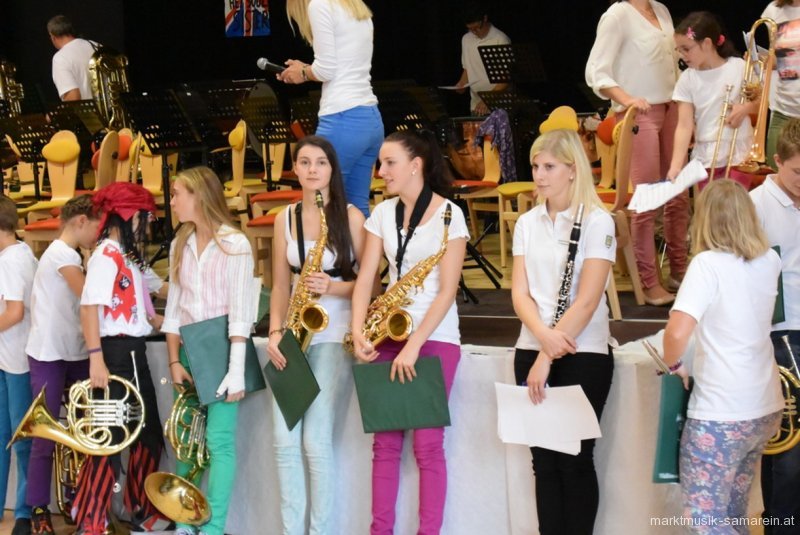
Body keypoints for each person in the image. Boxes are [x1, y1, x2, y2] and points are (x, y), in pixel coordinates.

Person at [350, 129, 468, 535]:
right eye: (380, 163)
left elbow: (448, 290)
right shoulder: (383, 214)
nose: (380, 171)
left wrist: (414, 345)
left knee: (427, 445)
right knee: (384, 445)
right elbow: (366, 278)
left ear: (416, 165)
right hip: (388, 332)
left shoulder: (451, 215)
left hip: (434, 337)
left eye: (389, 163)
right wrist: (359, 330)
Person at [511, 125, 616, 535]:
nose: (539, 175)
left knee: (574, 459)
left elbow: (587, 301)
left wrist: (547, 354)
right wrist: (543, 336)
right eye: (536, 166)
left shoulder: (597, 221)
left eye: (549, 167)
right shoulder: (527, 222)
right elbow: (519, 293)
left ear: (573, 169)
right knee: (544, 462)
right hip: (533, 343)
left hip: (582, 351)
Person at [662, 179, 783, 531]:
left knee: (706, 520)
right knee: (733, 512)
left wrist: (674, 364)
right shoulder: (770, 260)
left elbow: (677, 331)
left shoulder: (707, 264)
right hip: (763, 405)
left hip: (721, 409)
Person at [266, 136, 365, 534]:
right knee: (283, 441)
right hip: (293, 334)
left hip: (333, 332)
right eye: (304, 162)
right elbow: (279, 285)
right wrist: (275, 331)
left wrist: (334, 288)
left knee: (315, 441)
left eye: (320, 162)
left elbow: (372, 284)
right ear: (295, 169)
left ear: (331, 169)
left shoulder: (352, 217)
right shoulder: (283, 218)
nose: (312, 169)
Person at [162, 167, 256, 535]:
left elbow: (241, 314)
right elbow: (174, 310)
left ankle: (214, 527)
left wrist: (236, 369)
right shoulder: (179, 244)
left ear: (198, 196)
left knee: (218, 441)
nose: (172, 201)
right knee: (187, 442)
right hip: (188, 352)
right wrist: (173, 360)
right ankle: (185, 523)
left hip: (222, 352)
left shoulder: (235, 243)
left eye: (177, 194)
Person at [75, 183, 169, 535]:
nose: (147, 226)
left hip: (133, 352)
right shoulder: (106, 255)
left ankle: (138, 508)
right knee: (111, 439)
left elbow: (149, 294)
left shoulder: (127, 256)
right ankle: (92, 520)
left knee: (147, 435)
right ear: (130, 217)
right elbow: (89, 308)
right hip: (115, 354)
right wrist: (95, 359)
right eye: (145, 218)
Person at [586, 0, 687, 306]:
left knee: (679, 194)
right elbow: (596, 71)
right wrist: (627, 98)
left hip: (672, 105)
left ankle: (679, 271)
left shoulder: (662, 10)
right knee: (647, 199)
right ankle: (649, 281)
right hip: (640, 113)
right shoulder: (617, 15)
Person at [24, 195, 99, 535]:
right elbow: (89, 296)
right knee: (45, 435)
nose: (98, 234)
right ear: (81, 221)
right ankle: (39, 507)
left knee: (84, 430)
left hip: (75, 351)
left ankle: (78, 498)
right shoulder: (60, 255)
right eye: (96, 226)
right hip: (49, 354)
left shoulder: (72, 254)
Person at [279, 0, 384, 217]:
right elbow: (342, 64)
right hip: (370, 117)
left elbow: (326, 70)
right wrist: (306, 69)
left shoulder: (319, 5)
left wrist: (303, 73)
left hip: (342, 119)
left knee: (320, 203)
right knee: (357, 208)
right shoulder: (355, 6)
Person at [750, 118, 800, 534]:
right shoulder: (755, 206)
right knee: (787, 452)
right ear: (777, 161)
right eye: (798, 171)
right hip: (779, 335)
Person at [667, 11, 760, 190]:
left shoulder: (738, 67)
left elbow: (761, 104)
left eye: (687, 49)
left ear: (707, 43)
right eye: (679, 50)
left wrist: (745, 108)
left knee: (736, 203)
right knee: (710, 204)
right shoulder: (687, 79)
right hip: (707, 156)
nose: (682, 55)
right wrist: (676, 165)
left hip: (739, 154)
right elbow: (684, 125)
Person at [0, 196, 37, 535]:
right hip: (9, 357)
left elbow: (14, 312)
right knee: (5, 436)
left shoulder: (11, 261)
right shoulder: (21, 253)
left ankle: (25, 511)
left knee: (22, 440)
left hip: (19, 360)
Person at [453, 1, 510, 116]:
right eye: (471, 29)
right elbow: (468, 69)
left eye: (477, 28)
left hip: (498, 106)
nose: (475, 32)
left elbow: (506, 77)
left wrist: (488, 99)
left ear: (485, 19)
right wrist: (462, 84)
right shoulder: (466, 39)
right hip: (476, 105)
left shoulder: (500, 39)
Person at [762, 1, 800, 170]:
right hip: (784, 110)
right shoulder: (774, 10)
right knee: (777, 171)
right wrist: (762, 60)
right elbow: (778, 58)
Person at [47, 15, 95, 101]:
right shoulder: (96, 46)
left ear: (53, 37)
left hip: (87, 110)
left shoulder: (60, 58)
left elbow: (73, 96)